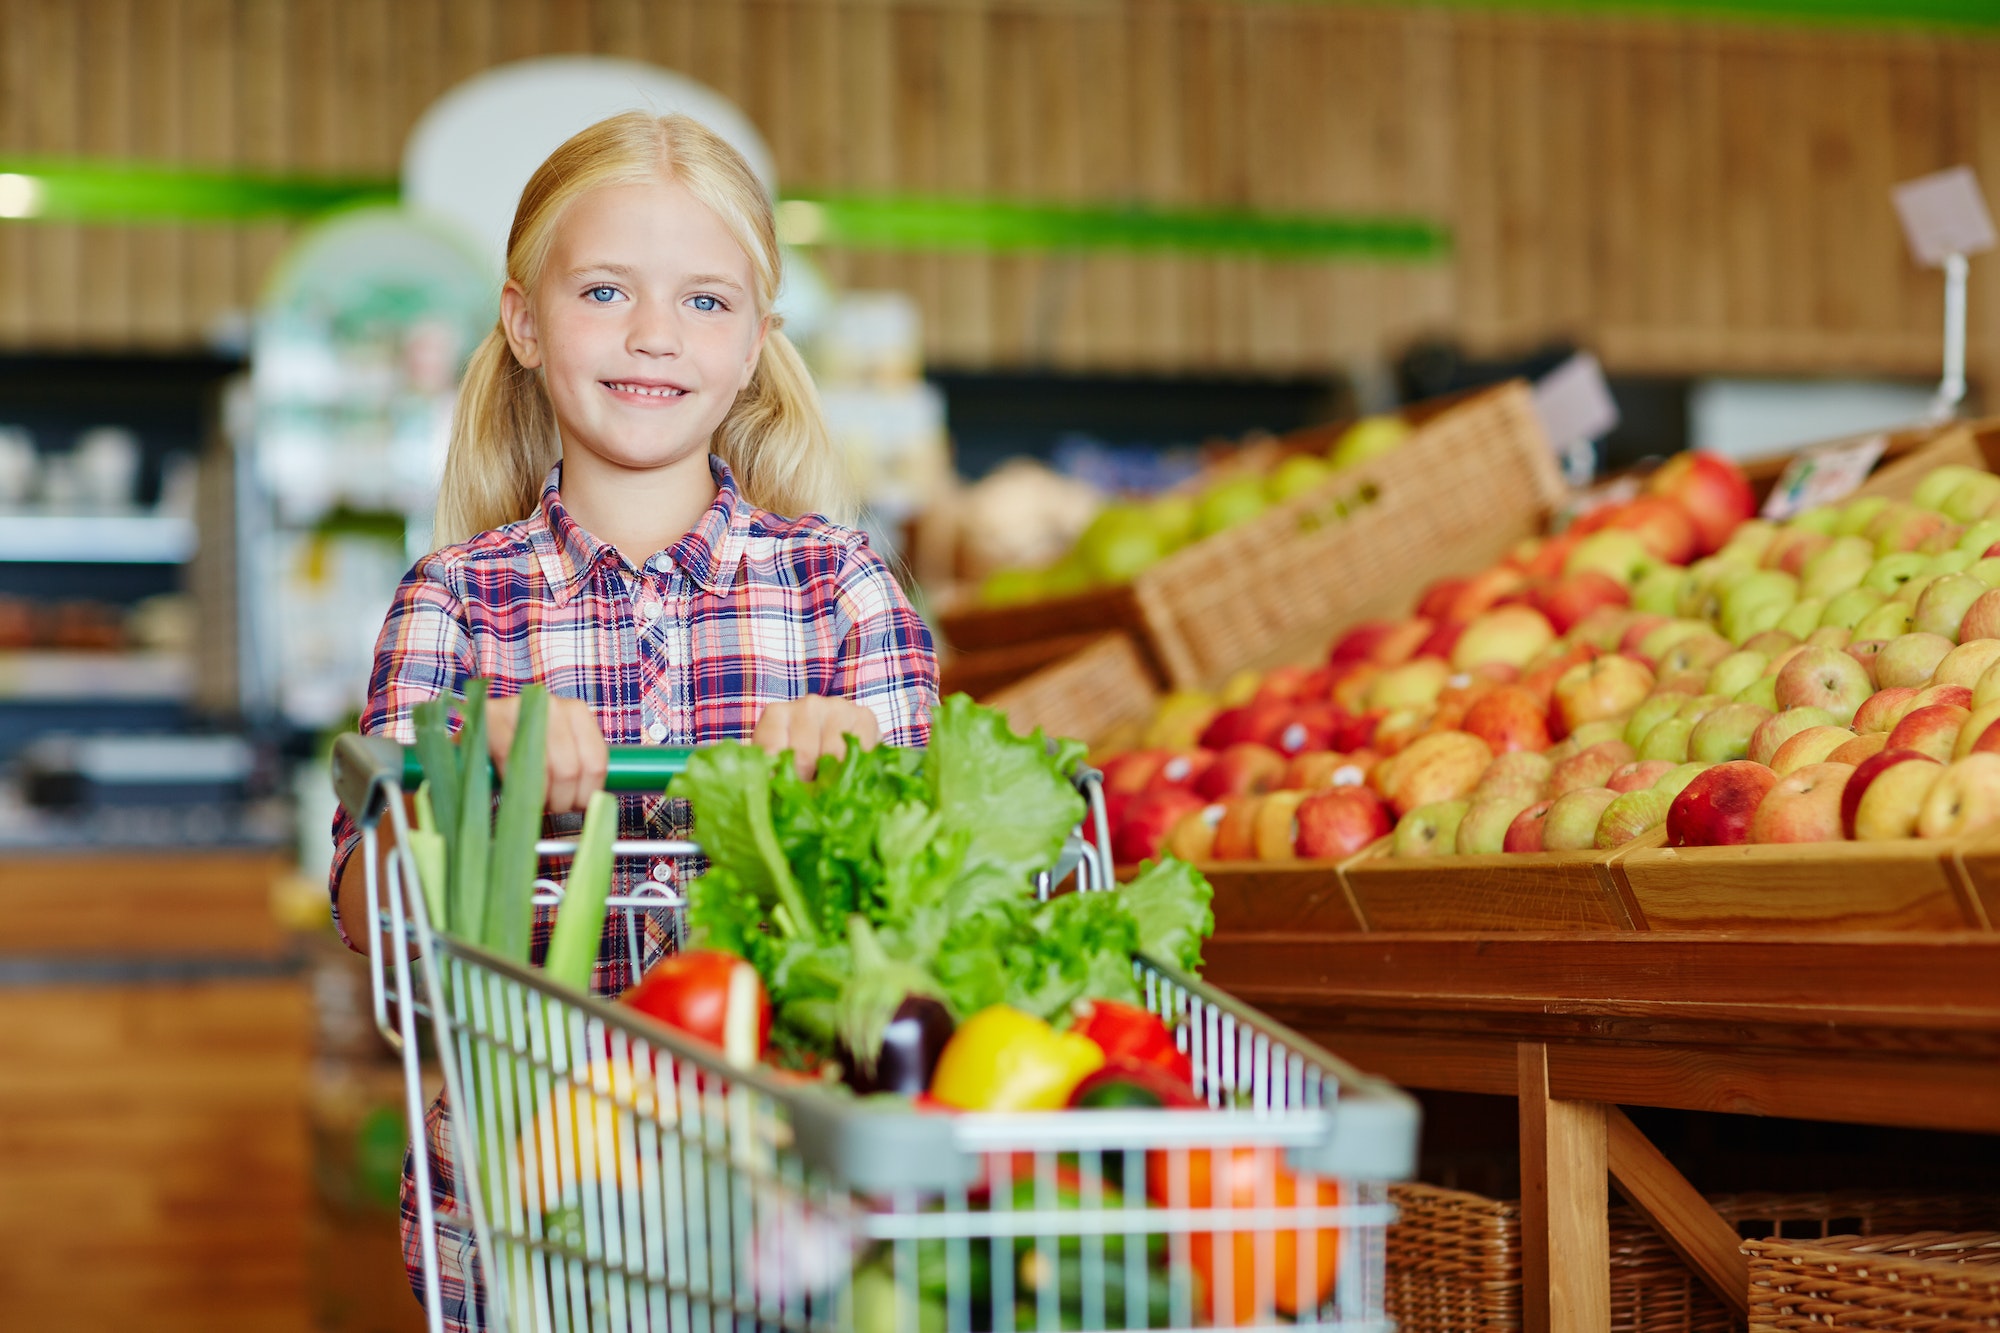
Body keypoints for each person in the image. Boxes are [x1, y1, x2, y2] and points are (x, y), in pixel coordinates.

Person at [327, 110, 938, 1327]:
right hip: (522, 1222)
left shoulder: (842, 589)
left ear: (760, 341)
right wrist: (463, 773)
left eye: (707, 302)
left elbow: (922, 924)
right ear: (522, 322)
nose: (655, 334)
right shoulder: (454, 602)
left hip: (790, 1216)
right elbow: (371, 925)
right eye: (605, 290)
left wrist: (863, 780)